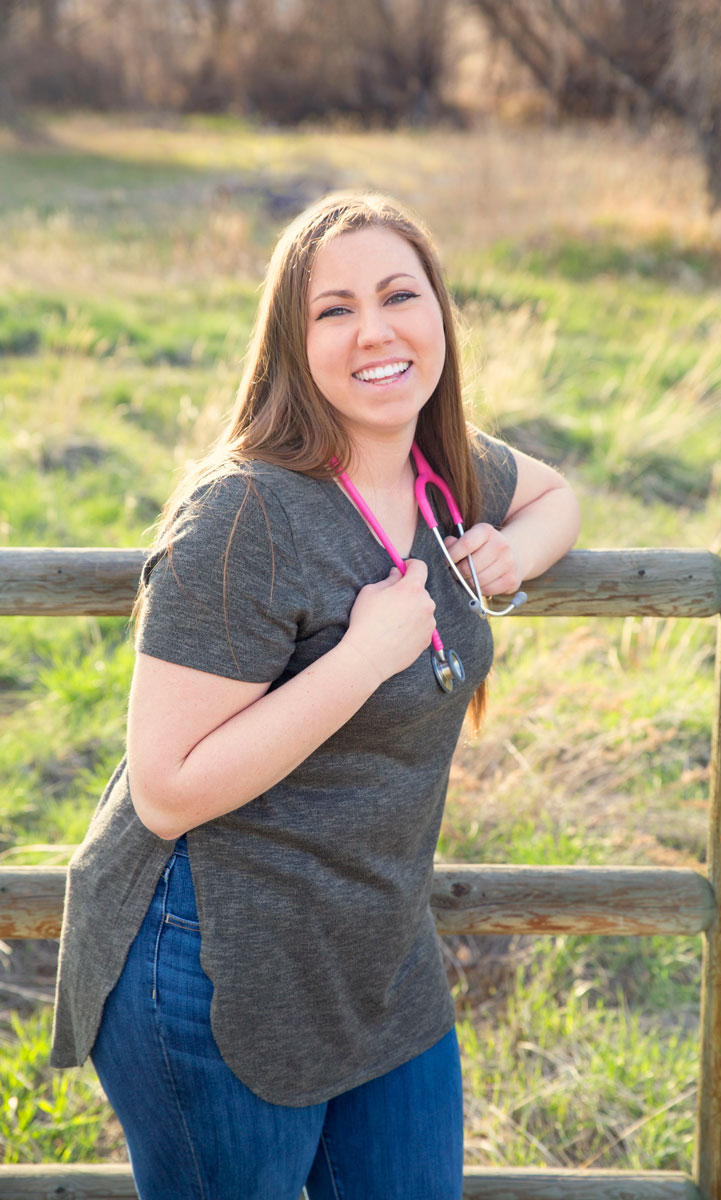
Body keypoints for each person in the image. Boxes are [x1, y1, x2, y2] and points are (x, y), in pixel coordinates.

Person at [51, 191, 580, 1200]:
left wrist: (512, 551)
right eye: (333, 310)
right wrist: (360, 654)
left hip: (376, 947)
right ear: (292, 343)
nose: (373, 331)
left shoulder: (439, 470)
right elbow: (165, 789)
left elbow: (556, 495)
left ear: (438, 317)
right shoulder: (244, 514)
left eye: (397, 296)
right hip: (212, 955)